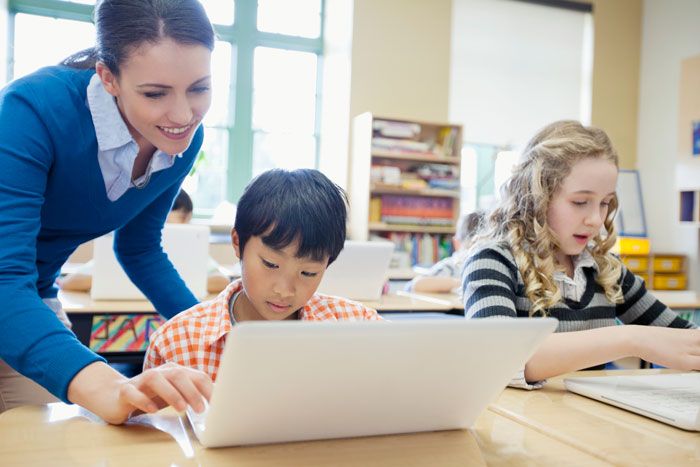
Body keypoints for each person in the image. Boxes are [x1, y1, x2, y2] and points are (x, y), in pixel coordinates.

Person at [0, 0, 217, 423]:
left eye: (199, 88)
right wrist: (110, 384)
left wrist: (209, 334)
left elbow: (140, 250)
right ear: (108, 77)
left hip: (29, 297)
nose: (182, 115)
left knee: (51, 440)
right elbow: (4, 278)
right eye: (155, 93)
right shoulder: (32, 112)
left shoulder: (183, 138)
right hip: (10, 289)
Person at [462, 120, 698, 389]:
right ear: (537, 195)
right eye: (580, 202)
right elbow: (499, 359)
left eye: (605, 203)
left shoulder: (606, 271)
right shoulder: (493, 261)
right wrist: (631, 339)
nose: (596, 220)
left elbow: (684, 337)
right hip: (517, 427)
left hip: (587, 425)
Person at [144, 169, 383, 378]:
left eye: (308, 273)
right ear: (237, 242)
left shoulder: (359, 327)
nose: (284, 290)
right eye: (270, 264)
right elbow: (151, 427)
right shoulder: (175, 344)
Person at [59, 189, 231, 294]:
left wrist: (163, 282)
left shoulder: (192, 254)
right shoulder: (128, 248)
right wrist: (134, 280)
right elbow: (69, 283)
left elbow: (222, 281)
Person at [407, 210, 484, 294]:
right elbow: (415, 285)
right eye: (470, 248)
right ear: (457, 244)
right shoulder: (451, 266)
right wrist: (461, 283)